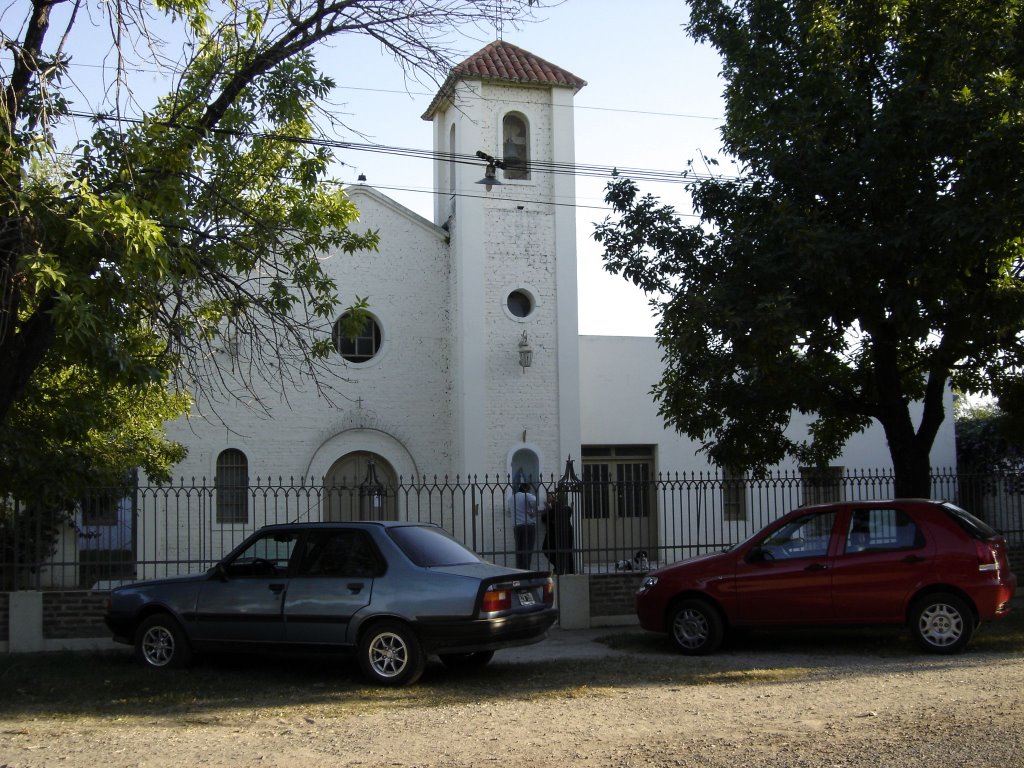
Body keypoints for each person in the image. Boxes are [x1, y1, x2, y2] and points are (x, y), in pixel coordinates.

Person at [541, 487, 575, 575]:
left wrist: (547, 510)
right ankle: (569, 572)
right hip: (567, 534)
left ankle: (559, 568)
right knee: (567, 553)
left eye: (550, 496)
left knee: (548, 550)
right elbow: (569, 511)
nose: (548, 498)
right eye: (548, 496)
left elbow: (544, 518)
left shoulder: (553, 510)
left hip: (557, 536)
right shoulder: (567, 509)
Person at [506, 482, 537, 570]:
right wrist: (533, 511)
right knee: (528, 549)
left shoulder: (511, 498)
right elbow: (536, 501)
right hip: (528, 526)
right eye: (529, 489)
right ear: (526, 489)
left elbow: (509, 511)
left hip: (517, 526)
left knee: (519, 549)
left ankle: (519, 570)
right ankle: (526, 571)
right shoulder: (527, 496)